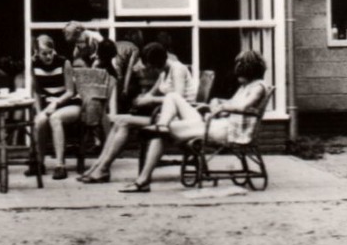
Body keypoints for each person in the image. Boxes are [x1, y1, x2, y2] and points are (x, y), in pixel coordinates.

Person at [121, 51, 270, 193]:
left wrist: (222, 107)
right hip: (217, 124)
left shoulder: (258, 87)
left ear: (249, 72)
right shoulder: (247, 86)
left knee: (163, 134)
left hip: (227, 131)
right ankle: (162, 125)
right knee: (172, 97)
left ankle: (143, 180)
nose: (237, 77)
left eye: (240, 73)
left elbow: (243, 107)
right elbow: (233, 104)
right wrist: (216, 102)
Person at [76, 42, 194, 184]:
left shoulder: (178, 69)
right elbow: (151, 94)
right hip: (164, 116)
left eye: (150, 65)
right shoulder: (164, 72)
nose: (149, 69)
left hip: (178, 119)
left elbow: (178, 98)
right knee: (119, 121)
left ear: (157, 61)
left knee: (124, 122)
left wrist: (151, 100)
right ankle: (99, 165)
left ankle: (103, 168)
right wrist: (141, 99)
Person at [27, 34, 79, 180]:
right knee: (39, 121)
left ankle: (60, 165)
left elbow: (70, 91)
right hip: (50, 105)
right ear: (36, 52)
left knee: (55, 118)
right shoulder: (34, 64)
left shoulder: (64, 62)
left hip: (69, 103)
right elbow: (36, 92)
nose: (48, 56)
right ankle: (39, 163)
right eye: (44, 53)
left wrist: (56, 103)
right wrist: (39, 111)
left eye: (50, 52)